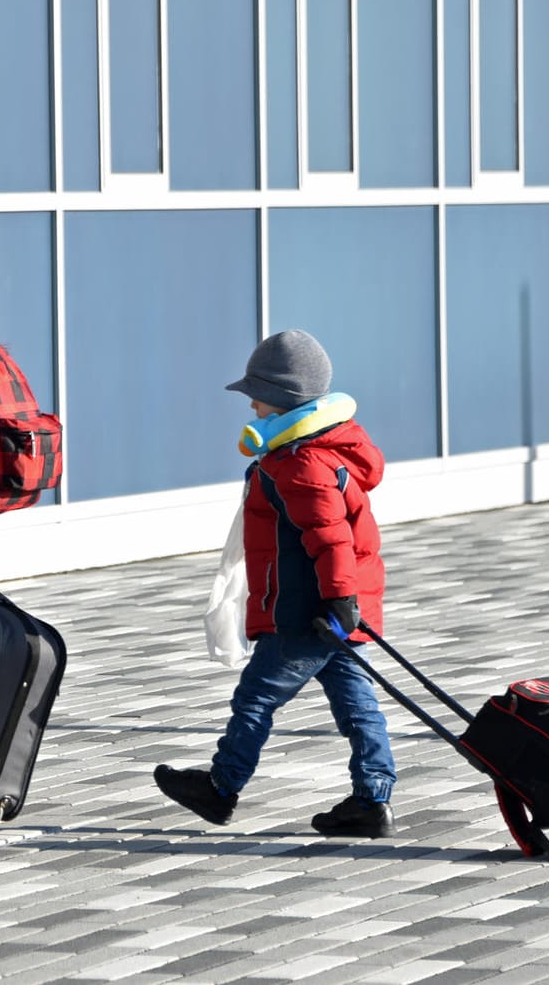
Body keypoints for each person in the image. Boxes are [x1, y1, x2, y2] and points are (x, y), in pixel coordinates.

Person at [153, 329, 397, 839]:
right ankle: (372, 800)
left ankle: (221, 789)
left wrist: (337, 600)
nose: (252, 406)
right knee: (358, 708)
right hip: (333, 612)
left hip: (307, 614)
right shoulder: (317, 451)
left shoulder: (300, 463)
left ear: (282, 399)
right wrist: (346, 605)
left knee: (256, 700)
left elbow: (329, 540)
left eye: (257, 397)